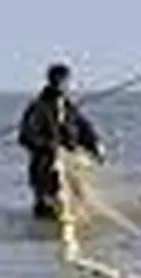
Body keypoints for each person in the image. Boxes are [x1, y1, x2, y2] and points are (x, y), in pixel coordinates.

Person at [17, 63, 103, 219]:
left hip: (69, 164)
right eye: (59, 80)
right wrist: (50, 146)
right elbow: (25, 137)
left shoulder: (68, 106)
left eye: (65, 81)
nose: (63, 84)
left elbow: (83, 128)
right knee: (47, 207)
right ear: (51, 81)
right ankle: (44, 239)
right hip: (45, 167)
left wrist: (95, 146)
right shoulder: (38, 107)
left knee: (78, 199)